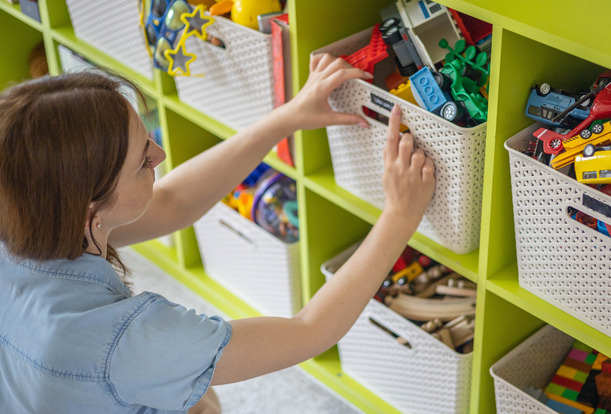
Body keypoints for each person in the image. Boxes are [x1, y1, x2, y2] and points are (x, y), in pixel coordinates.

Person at [0, 53, 436, 413]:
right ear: (90, 207)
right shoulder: (128, 343)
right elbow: (309, 332)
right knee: (203, 403)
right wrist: (400, 214)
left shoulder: (30, 219)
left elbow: (175, 203)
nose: (160, 153)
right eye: (142, 160)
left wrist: (283, 120)